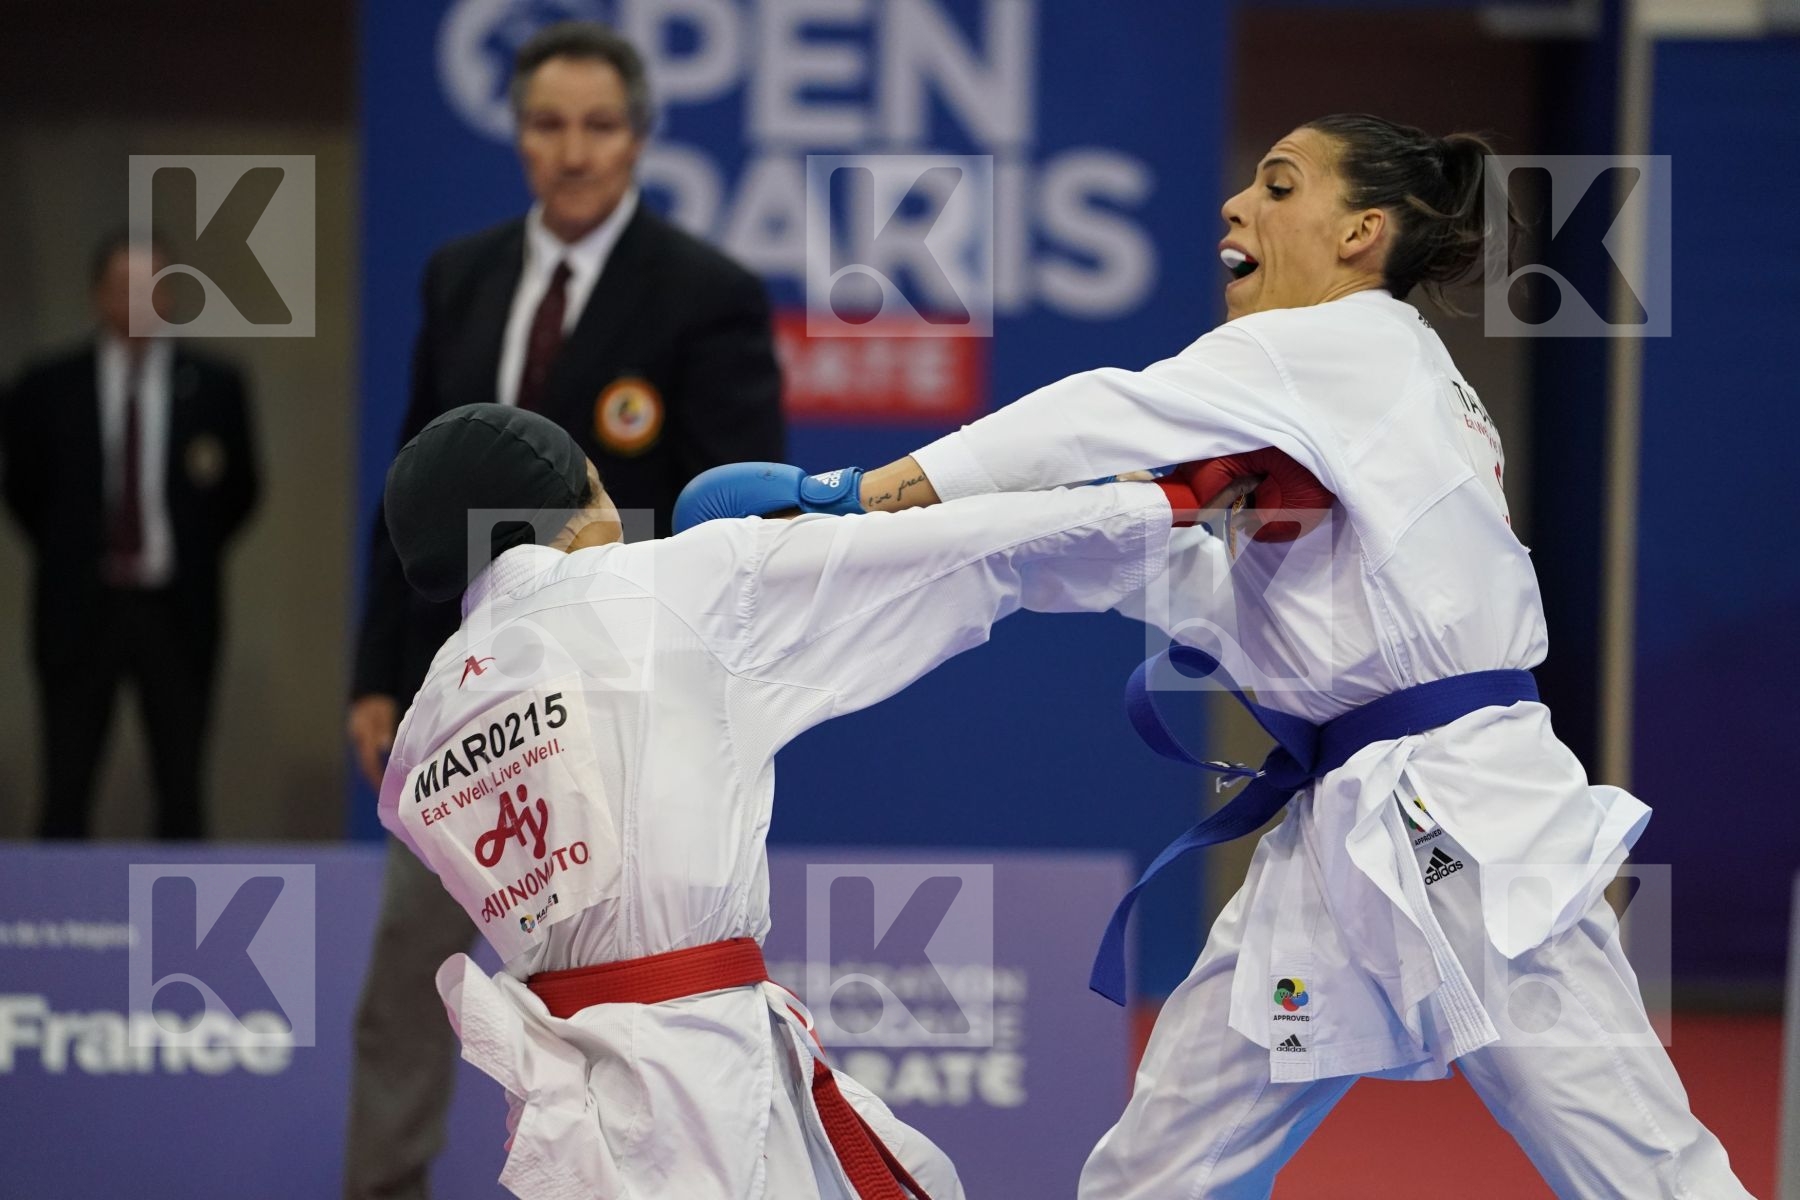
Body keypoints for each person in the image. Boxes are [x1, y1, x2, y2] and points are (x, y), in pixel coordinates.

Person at [676, 115, 1753, 1197]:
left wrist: (867, 493)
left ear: (1359, 234)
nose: (1238, 206)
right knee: (1162, 1169)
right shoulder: (1361, 389)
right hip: (1337, 837)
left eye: (1280, 188)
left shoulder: (1338, 340)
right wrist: (911, 545)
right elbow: (1191, 581)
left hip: (1461, 824)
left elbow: (1102, 411)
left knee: (1637, 1162)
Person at [374, 403, 1227, 1199]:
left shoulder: (422, 733)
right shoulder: (671, 585)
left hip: (571, 1101)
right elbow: (964, 551)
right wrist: (1152, 506)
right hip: (706, 1079)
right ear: (569, 506)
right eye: (600, 485)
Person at [342, 21, 784, 1198]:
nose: (573, 152)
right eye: (548, 125)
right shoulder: (463, 276)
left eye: (598, 127)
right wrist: (382, 674)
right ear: (519, 133)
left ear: (638, 138)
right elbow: (411, 493)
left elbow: (736, 519)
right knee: (406, 969)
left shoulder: (708, 294)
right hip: (470, 692)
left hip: (621, 703)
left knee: (620, 980)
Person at [0, 230, 259, 840]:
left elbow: (238, 492)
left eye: (151, 288)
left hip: (176, 611)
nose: (138, 302)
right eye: (123, 288)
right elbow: (25, 492)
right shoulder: (46, 387)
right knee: (65, 786)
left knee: (182, 790)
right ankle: (57, 930)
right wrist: (71, 553)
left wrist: (186, 551)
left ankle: (182, 934)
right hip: (78, 611)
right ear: (98, 296)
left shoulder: (214, 386)